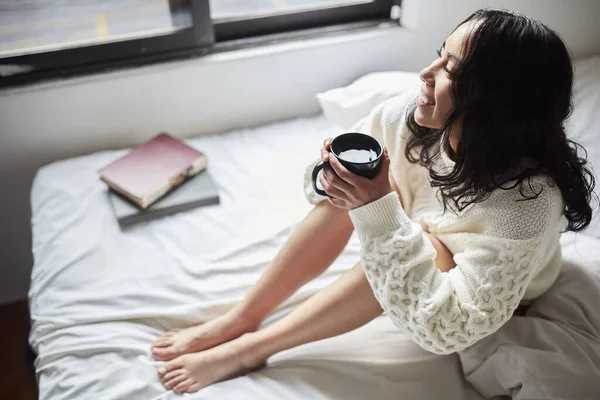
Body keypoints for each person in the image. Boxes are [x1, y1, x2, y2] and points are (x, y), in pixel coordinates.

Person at [151, 8, 596, 393]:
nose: (426, 73)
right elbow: (316, 190)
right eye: (440, 53)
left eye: (451, 71)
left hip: (491, 287)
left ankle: (253, 348)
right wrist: (332, 178)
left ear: (498, 103)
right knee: (356, 189)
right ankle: (241, 318)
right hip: (418, 221)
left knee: (407, 236)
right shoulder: (409, 114)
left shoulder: (527, 204)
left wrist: (381, 211)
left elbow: (449, 329)